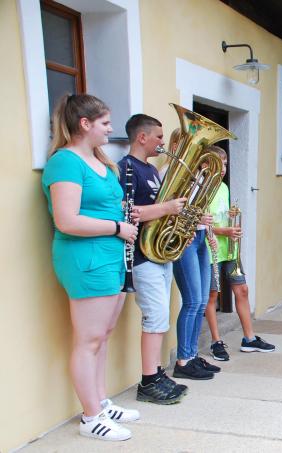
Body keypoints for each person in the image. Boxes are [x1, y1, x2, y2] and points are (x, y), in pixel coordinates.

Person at [42, 94, 140, 441]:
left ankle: (100, 401)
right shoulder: (66, 162)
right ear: (85, 124)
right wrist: (117, 228)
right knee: (88, 340)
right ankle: (90, 417)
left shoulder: (100, 160)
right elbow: (67, 220)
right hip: (86, 259)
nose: (111, 129)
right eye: (105, 123)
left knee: (102, 336)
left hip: (110, 256)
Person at [118, 114, 188, 404]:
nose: (163, 142)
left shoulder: (152, 170)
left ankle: (157, 373)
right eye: (158, 136)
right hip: (142, 257)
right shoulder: (125, 169)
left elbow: (157, 209)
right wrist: (167, 208)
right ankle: (148, 381)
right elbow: (129, 212)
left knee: (162, 316)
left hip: (159, 253)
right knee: (155, 315)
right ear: (142, 137)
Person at [204, 146, 275, 360]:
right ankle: (216, 341)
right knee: (212, 296)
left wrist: (231, 222)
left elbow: (221, 216)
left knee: (242, 289)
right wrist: (223, 230)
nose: (223, 169)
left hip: (229, 248)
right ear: (205, 165)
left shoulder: (223, 188)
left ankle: (249, 339)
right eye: (219, 164)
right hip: (210, 249)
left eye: (225, 164)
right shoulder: (199, 188)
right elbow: (198, 225)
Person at [172, 145, 221, 380]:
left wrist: (209, 231)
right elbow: (173, 208)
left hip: (200, 236)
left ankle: (191, 355)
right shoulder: (182, 177)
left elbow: (202, 210)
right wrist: (196, 219)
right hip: (186, 238)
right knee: (192, 302)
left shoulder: (205, 183)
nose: (220, 170)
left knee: (201, 302)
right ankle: (183, 360)